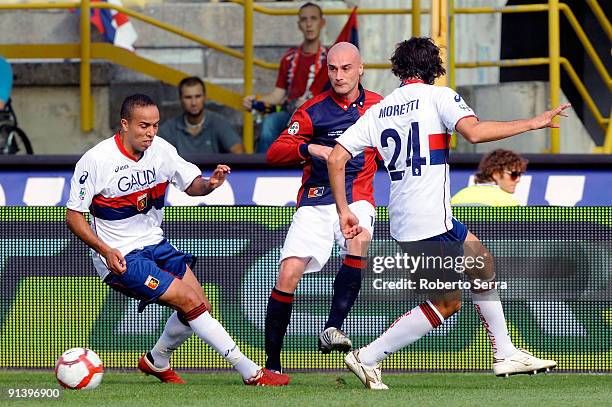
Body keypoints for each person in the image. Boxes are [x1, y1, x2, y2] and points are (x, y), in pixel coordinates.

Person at [328, 37, 569, 389]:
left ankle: (505, 353)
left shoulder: (379, 109)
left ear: (399, 69)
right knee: (446, 303)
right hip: (429, 218)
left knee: (480, 259)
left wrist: (344, 211)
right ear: (433, 68)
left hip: (407, 215)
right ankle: (368, 357)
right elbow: (474, 132)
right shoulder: (439, 96)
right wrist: (532, 123)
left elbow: (336, 158)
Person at [66, 94, 288, 386]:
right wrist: (105, 250)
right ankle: (250, 372)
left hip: (156, 244)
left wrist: (209, 184)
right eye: (144, 126)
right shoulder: (96, 160)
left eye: (156, 125)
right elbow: (74, 217)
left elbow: (191, 185)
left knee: (199, 306)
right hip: (121, 257)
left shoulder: (161, 150)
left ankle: (156, 360)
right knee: (188, 300)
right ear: (124, 124)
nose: (151, 133)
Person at [264, 42, 383, 375]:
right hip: (316, 199)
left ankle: (332, 327)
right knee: (287, 274)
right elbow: (275, 152)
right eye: (333, 68)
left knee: (358, 239)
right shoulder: (313, 109)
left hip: (357, 193)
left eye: (346, 68)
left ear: (361, 69)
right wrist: (309, 147)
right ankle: (272, 365)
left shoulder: (379, 106)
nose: (339, 75)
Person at [243, 2, 327, 153]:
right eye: (304, 19)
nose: (309, 24)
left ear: (322, 23)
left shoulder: (330, 57)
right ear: (299, 25)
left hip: (320, 114)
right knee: (269, 124)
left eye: (313, 19)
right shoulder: (289, 57)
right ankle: (263, 171)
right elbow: (278, 94)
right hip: (291, 113)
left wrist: (312, 103)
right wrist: (255, 102)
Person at [158, 77, 244, 155]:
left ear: (205, 97)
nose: (194, 103)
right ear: (180, 99)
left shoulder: (218, 122)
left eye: (198, 96)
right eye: (188, 97)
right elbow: (155, 155)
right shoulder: (170, 128)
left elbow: (239, 152)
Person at [451, 149, 527, 206]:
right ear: (496, 174)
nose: (518, 180)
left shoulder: (457, 197)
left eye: (520, 174)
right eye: (514, 174)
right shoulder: (507, 202)